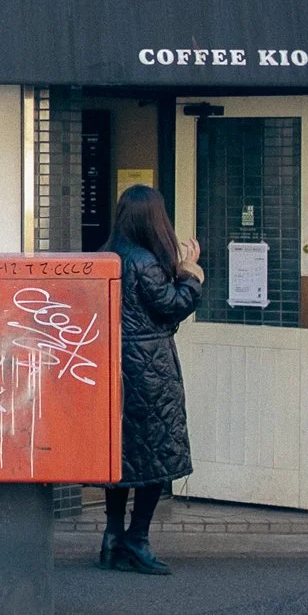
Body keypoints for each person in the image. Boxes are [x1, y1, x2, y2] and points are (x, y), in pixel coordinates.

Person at [102, 183, 203, 574]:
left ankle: (112, 537)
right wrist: (192, 276)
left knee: (120, 455)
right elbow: (170, 307)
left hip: (114, 366)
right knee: (155, 453)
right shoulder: (144, 261)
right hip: (149, 369)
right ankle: (137, 539)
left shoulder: (106, 255)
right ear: (154, 218)